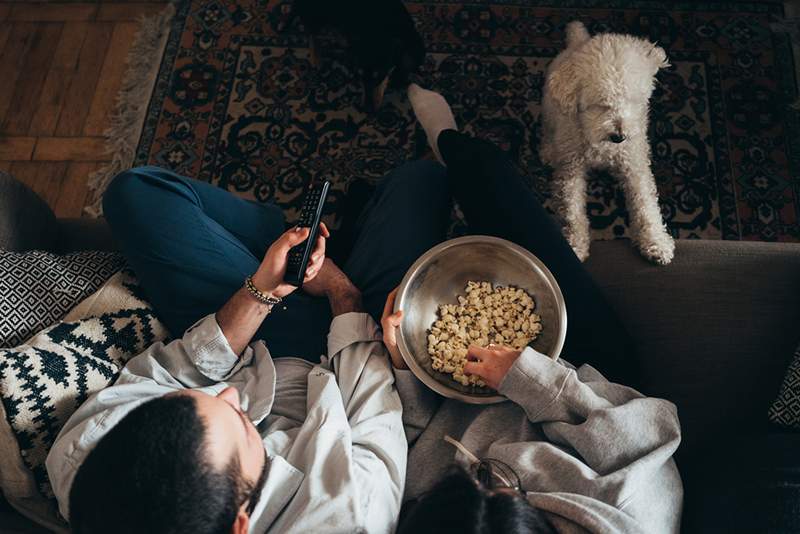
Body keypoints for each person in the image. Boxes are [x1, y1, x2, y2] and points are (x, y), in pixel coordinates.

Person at [376, 85, 683, 534]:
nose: (486, 477)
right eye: (492, 485)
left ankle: (406, 178)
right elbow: (656, 431)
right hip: (588, 389)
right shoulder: (631, 514)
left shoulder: (421, 518)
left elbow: (403, 449)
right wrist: (537, 383)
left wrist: (404, 370)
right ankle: (447, 140)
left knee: (403, 201)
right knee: (489, 177)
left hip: (449, 401)